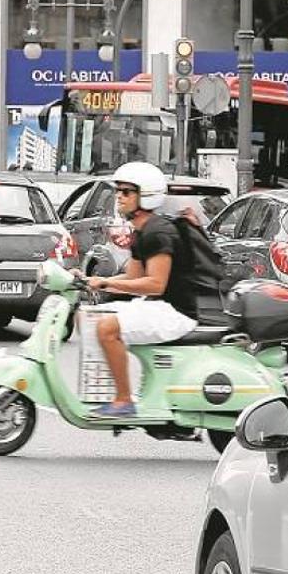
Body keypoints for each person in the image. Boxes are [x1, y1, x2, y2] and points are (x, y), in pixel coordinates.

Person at [77, 162, 198, 417]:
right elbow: (133, 277)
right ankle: (103, 391)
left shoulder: (157, 232)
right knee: (88, 315)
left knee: (107, 327)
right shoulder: (142, 231)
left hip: (175, 312)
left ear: (146, 196)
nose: (119, 197)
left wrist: (107, 283)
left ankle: (123, 401)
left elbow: (156, 284)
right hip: (157, 305)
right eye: (118, 191)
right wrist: (89, 279)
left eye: (127, 192)